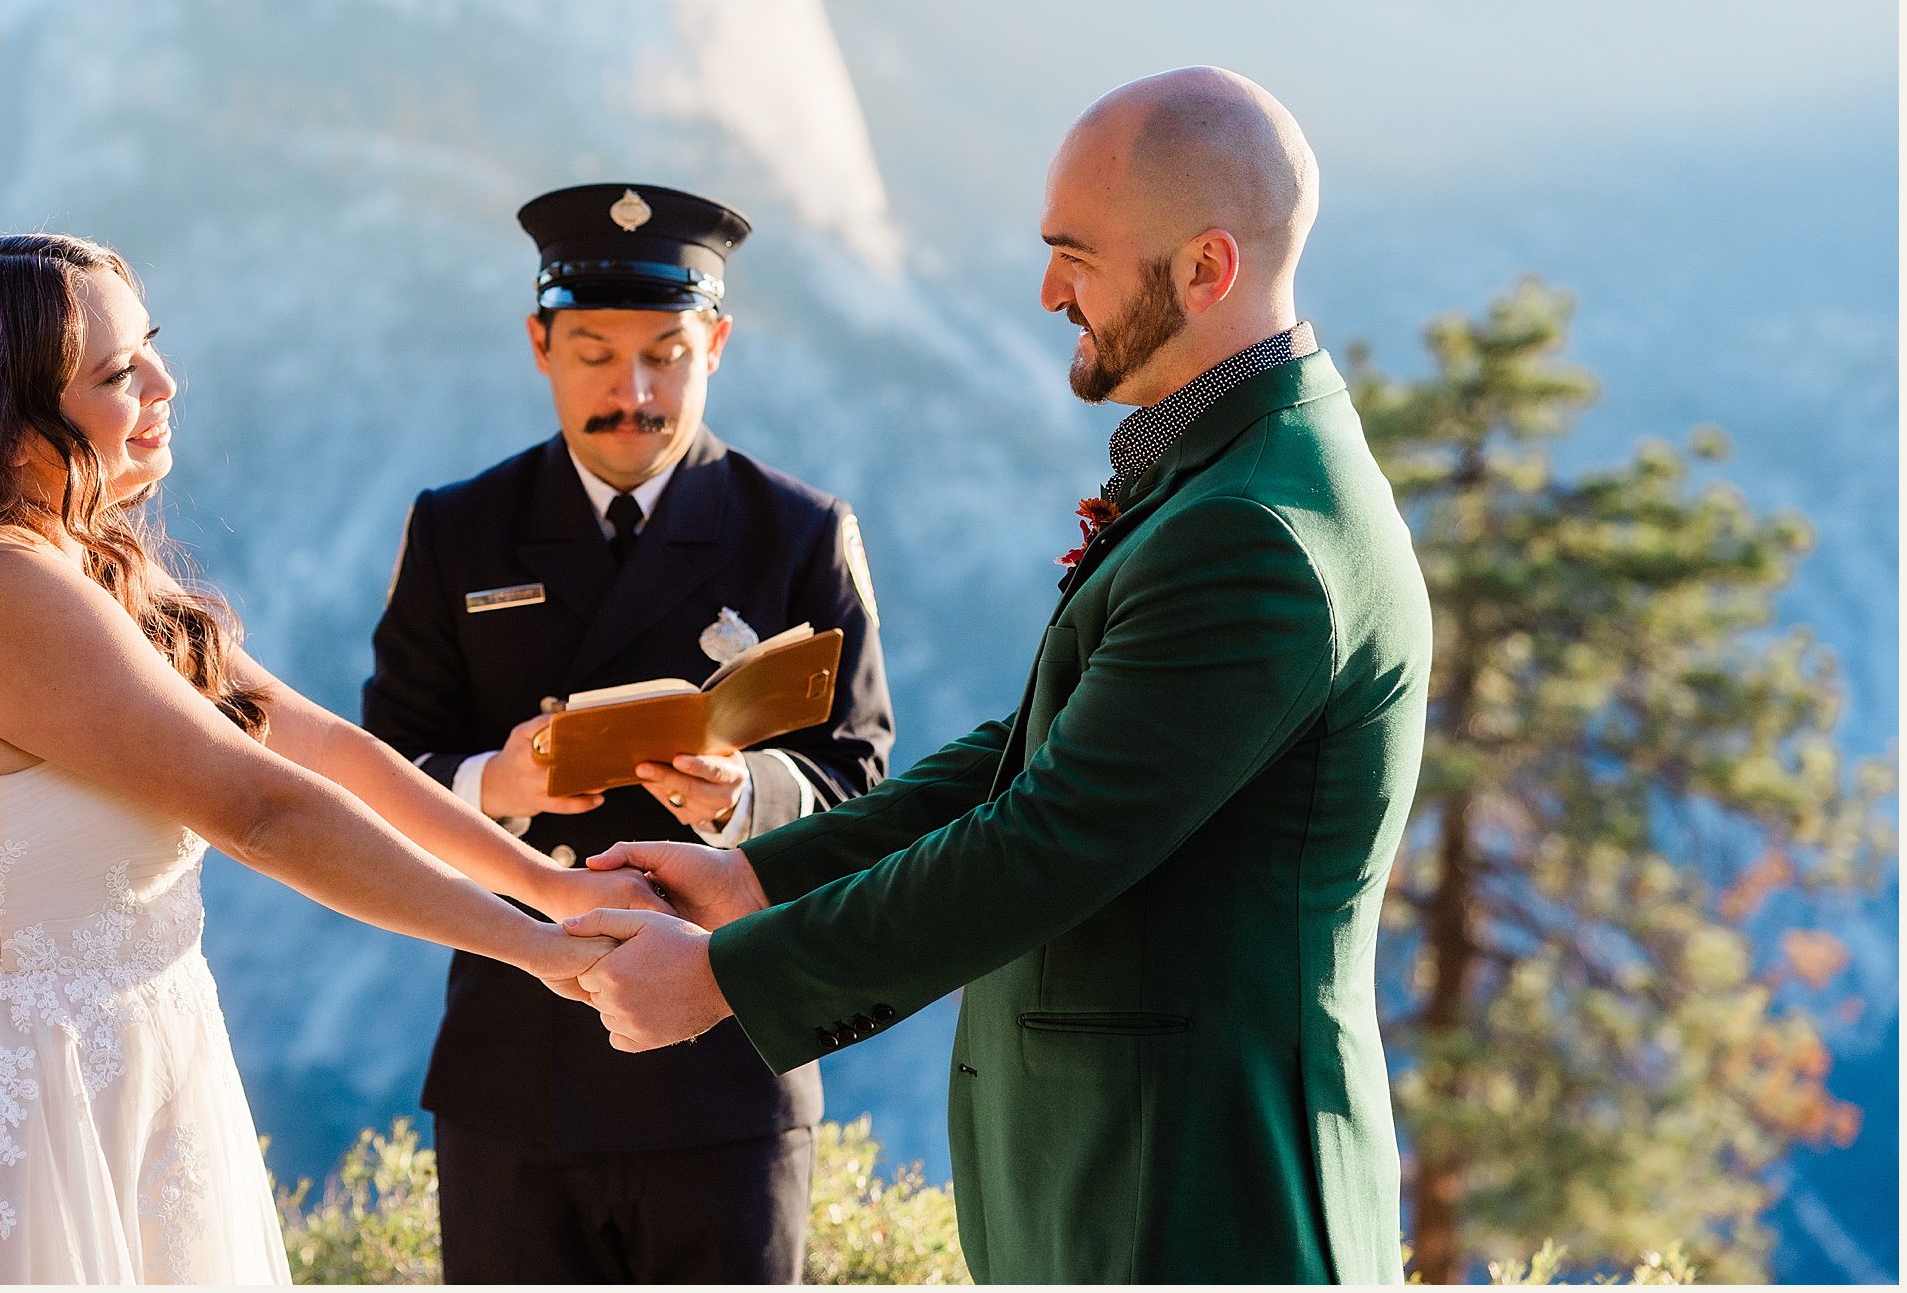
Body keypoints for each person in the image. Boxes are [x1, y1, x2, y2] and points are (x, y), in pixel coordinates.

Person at [567, 68, 1433, 1284]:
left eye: (1075, 257)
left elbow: (1050, 837)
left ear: (1206, 269)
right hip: (1122, 1180)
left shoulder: (1254, 534)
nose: (1046, 293)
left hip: (1194, 1192)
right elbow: (1036, 747)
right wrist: (754, 873)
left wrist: (726, 980)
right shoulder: (1228, 478)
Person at [0, 234, 653, 1285]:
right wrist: (539, 952)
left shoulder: (84, 564)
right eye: (116, 373)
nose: (163, 382)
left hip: (119, 1084)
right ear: (6, 424)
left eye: (149, 350)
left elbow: (323, 746)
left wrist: (550, 887)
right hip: (17, 1113)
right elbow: (263, 810)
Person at [362, 184, 895, 1283]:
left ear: (719, 344)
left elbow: (863, 785)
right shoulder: (459, 527)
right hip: (517, 1059)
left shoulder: (797, 531)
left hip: (727, 1059)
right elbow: (377, 773)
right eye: (596, 351)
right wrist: (492, 782)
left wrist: (739, 795)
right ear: (540, 344)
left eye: (667, 351)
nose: (633, 389)